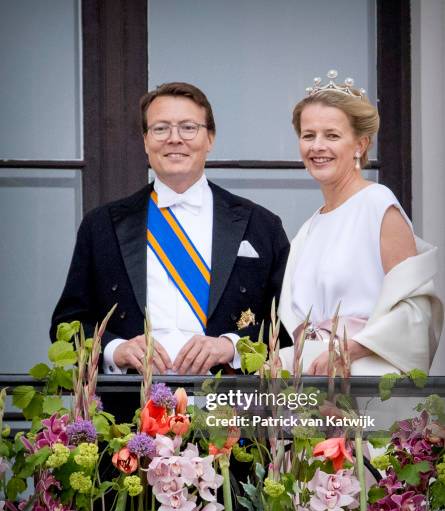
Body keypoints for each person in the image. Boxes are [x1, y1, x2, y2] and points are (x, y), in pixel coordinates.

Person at [51, 82, 290, 374]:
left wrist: (231, 346)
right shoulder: (101, 226)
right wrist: (116, 350)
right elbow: (66, 326)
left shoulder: (260, 225)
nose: (174, 139)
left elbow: (289, 325)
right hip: (128, 408)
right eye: (161, 128)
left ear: (210, 138)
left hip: (229, 407)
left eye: (188, 127)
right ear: (145, 140)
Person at [278, 71, 443, 375]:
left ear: (360, 145)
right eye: (308, 135)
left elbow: (414, 310)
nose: (317, 146)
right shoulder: (309, 227)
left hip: (362, 379)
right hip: (310, 387)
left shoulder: (377, 205)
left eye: (332, 135)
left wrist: (348, 350)